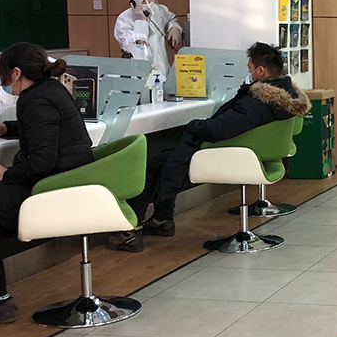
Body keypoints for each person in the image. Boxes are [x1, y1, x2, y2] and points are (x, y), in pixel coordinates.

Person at [109, 42, 310, 252]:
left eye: (250, 69)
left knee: (151, 165)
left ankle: (131, 230)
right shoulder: (286, 96)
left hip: (226, 153)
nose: (249, 74)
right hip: (251, 153)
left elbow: (218, 130)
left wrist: (193, 124)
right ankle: (161, 219)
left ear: (261, 71)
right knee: (166, 160)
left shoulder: (256, 102)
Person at [0, 43, 94, 324]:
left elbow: (41, 161)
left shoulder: (34, 100)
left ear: (15, 73)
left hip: (52, 190)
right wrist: (6, 128)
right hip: (67, 184)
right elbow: (45, 130)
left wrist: (6, 175)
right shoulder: (50, 90)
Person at [114, 0, 182, 79]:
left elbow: (171, 19)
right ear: (133, 3)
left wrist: (174, 28)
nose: (149, 3)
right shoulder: (124, 19)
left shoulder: (158, 10)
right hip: (140, 71)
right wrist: (141, 20)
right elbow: (135, 46)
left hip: (162, 67)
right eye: (144, 1)